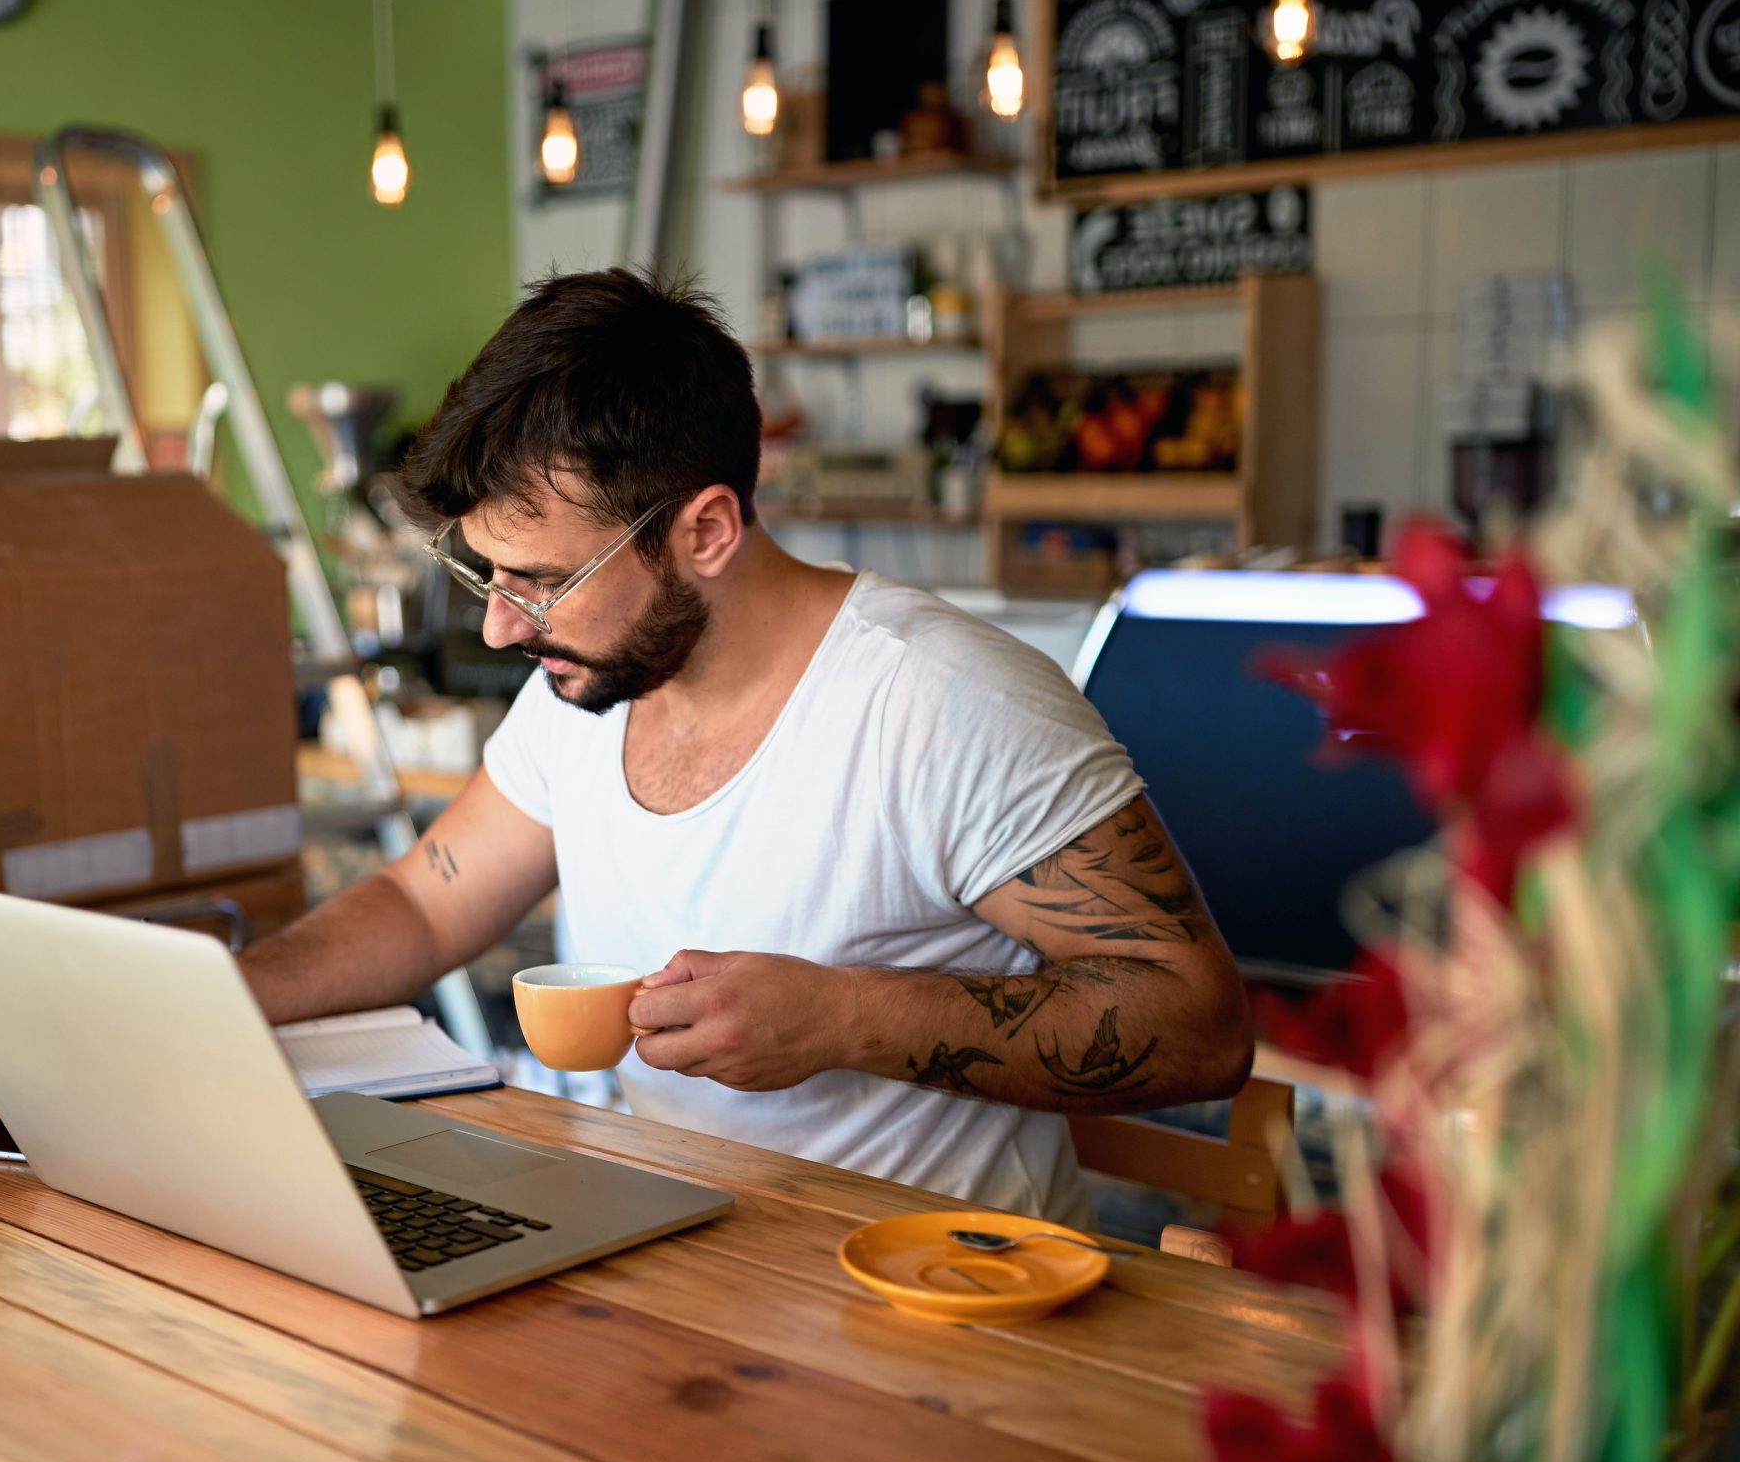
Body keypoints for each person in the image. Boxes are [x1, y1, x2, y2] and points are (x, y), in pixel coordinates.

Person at [243, 269, 1252, 1224]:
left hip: (938, 1315)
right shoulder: (584, 684)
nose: (502, 628)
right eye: (488, 577)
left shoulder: (944, 704)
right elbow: (424, 903)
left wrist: (844, 1019)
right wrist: (224, 998)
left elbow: (1198, 1025)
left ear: (708, 531)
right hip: (671, 1263)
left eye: (540, 582)